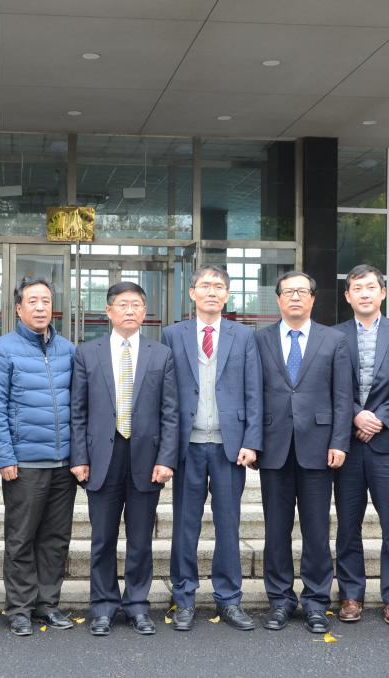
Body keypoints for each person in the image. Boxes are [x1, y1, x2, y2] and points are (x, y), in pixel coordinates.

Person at [70, 281, 178, 637]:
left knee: (140, 539)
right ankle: (102, 606)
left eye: (136, 305)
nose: (130, 311)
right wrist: (79, 457)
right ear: (109, 311)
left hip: (147, 458)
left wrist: (166, 459)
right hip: (102, 456)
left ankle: (137, 605)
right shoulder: (87, 353)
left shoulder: (161, 355)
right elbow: (77, 411)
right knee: (102, 538)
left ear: (145, 312)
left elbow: (170, 412)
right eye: (123, 304)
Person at [162, 265, 263, 632]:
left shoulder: (244, 336)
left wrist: (252, 441)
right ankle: (184, 597)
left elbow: (254, 390)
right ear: (192, 293)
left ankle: (229, 599)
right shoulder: (173, 334)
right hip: (187, 445)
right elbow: (165, 392)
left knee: (228, 525)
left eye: (218, 286)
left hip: (228, 447)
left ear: (227, 294)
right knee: (184, 526)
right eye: (204, 286)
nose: (211, 291)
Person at [254, 272, 351, 634]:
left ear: (313, 298)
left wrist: (339, 441)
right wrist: (253, 442)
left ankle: (316, 602)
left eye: (302, 291)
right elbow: (253, 393)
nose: (295, 297)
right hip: (274, 447)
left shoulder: (334, 340)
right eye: (288, 292)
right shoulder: (259, 340)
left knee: (317, 530)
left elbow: (343, 396)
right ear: (278, 299)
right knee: (276, 530)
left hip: (319, 447)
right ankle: (280, 600)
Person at [0, 277, 77, 637]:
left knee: (55, 539)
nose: (40, 307)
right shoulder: (3, 349)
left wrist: (78, 456)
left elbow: (79, 407)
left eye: (46, 301)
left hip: (63, 463)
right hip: (24, 463)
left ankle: (47, 604)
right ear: (19, 308)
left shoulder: (68, 350)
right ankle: (20, 609)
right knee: (21, 538)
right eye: (33, 301)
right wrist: (5, 457)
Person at [333, 264, 389, 626]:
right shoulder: (335, 335)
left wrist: (380, 418)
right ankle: (350, 594)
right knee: (347, 524)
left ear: (382, 292)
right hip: (348, 443)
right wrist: (356, 415)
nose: (365, 293)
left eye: (371, 287)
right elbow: (330, 382)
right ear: (348, 296)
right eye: (357, 288)